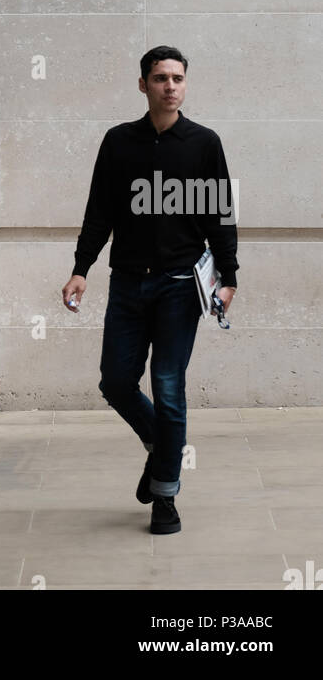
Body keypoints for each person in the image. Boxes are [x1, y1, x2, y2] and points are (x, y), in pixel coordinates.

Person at [61, 46, 238, 534]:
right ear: (143, 85)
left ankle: (165, 496)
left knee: (167, 386)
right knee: (116, 382)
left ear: (185, 84)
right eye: (160, 78)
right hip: (127, 285)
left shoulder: (204, 143)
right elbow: (99, 212)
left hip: (181, 287)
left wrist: (230, 276)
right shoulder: (119, 143)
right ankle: (162, 449)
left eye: (178, 78)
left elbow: (220, 216)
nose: (170, 86)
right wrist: (81, 269)